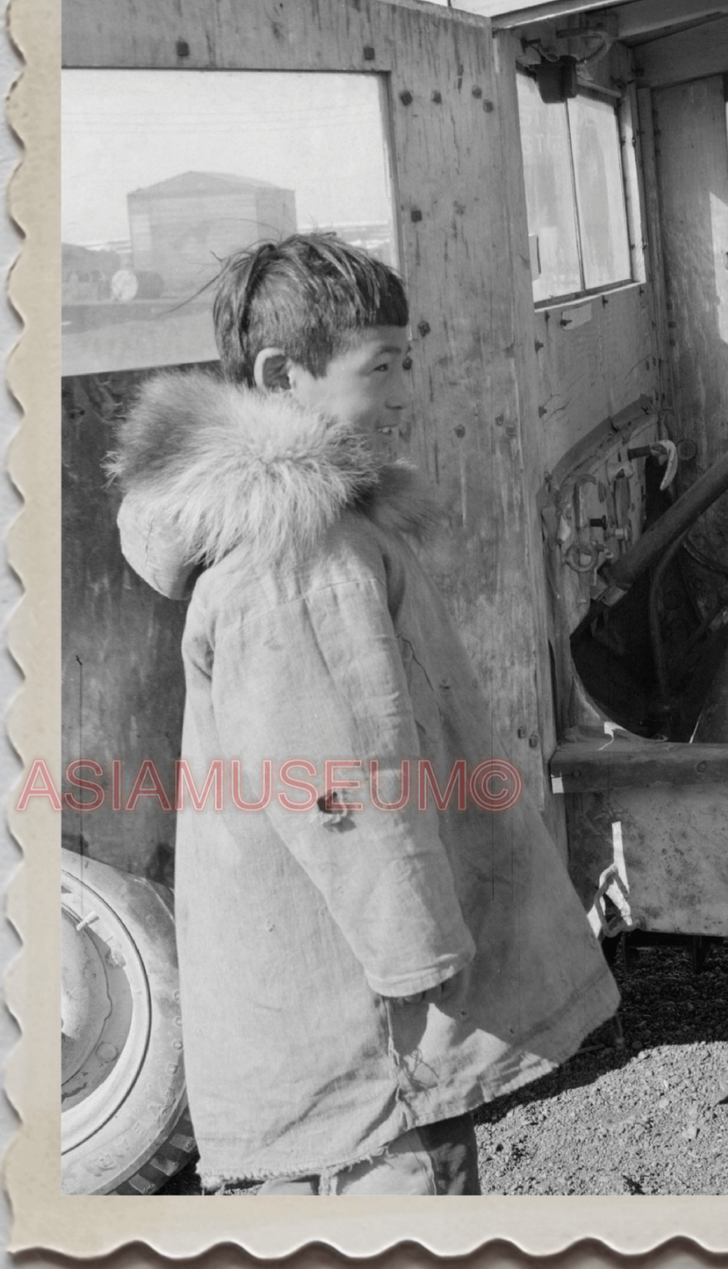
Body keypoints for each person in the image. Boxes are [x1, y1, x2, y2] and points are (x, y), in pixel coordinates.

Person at [110, 235, 619, 1195]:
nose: (404, 392)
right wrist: (419, 959)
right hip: (365, 999)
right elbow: (341, 778)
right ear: (281, 374)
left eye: (407, 363)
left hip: (315, 974)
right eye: (379, 367)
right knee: (397, 1175)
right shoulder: (299, 554)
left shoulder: (313, 531)